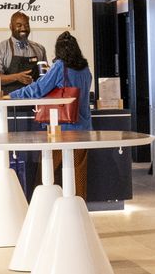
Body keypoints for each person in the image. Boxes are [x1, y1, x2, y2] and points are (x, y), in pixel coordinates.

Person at [12, 31, 94, 181]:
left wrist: (12, 95)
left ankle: (47, 197)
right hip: (84, 128)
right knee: (78, 174)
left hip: (61, 129)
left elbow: (38, 89)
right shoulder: (85, 68)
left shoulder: (60, 66)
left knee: (48, 173)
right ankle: (77, 197)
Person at [0, 12, 47, 93]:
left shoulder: (39, 49)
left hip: (33, 98)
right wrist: (16, 77)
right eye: (19, 25)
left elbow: (44, 76)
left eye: (26, 25)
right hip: (8, 98)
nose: (23, 28)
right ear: (11, 26)